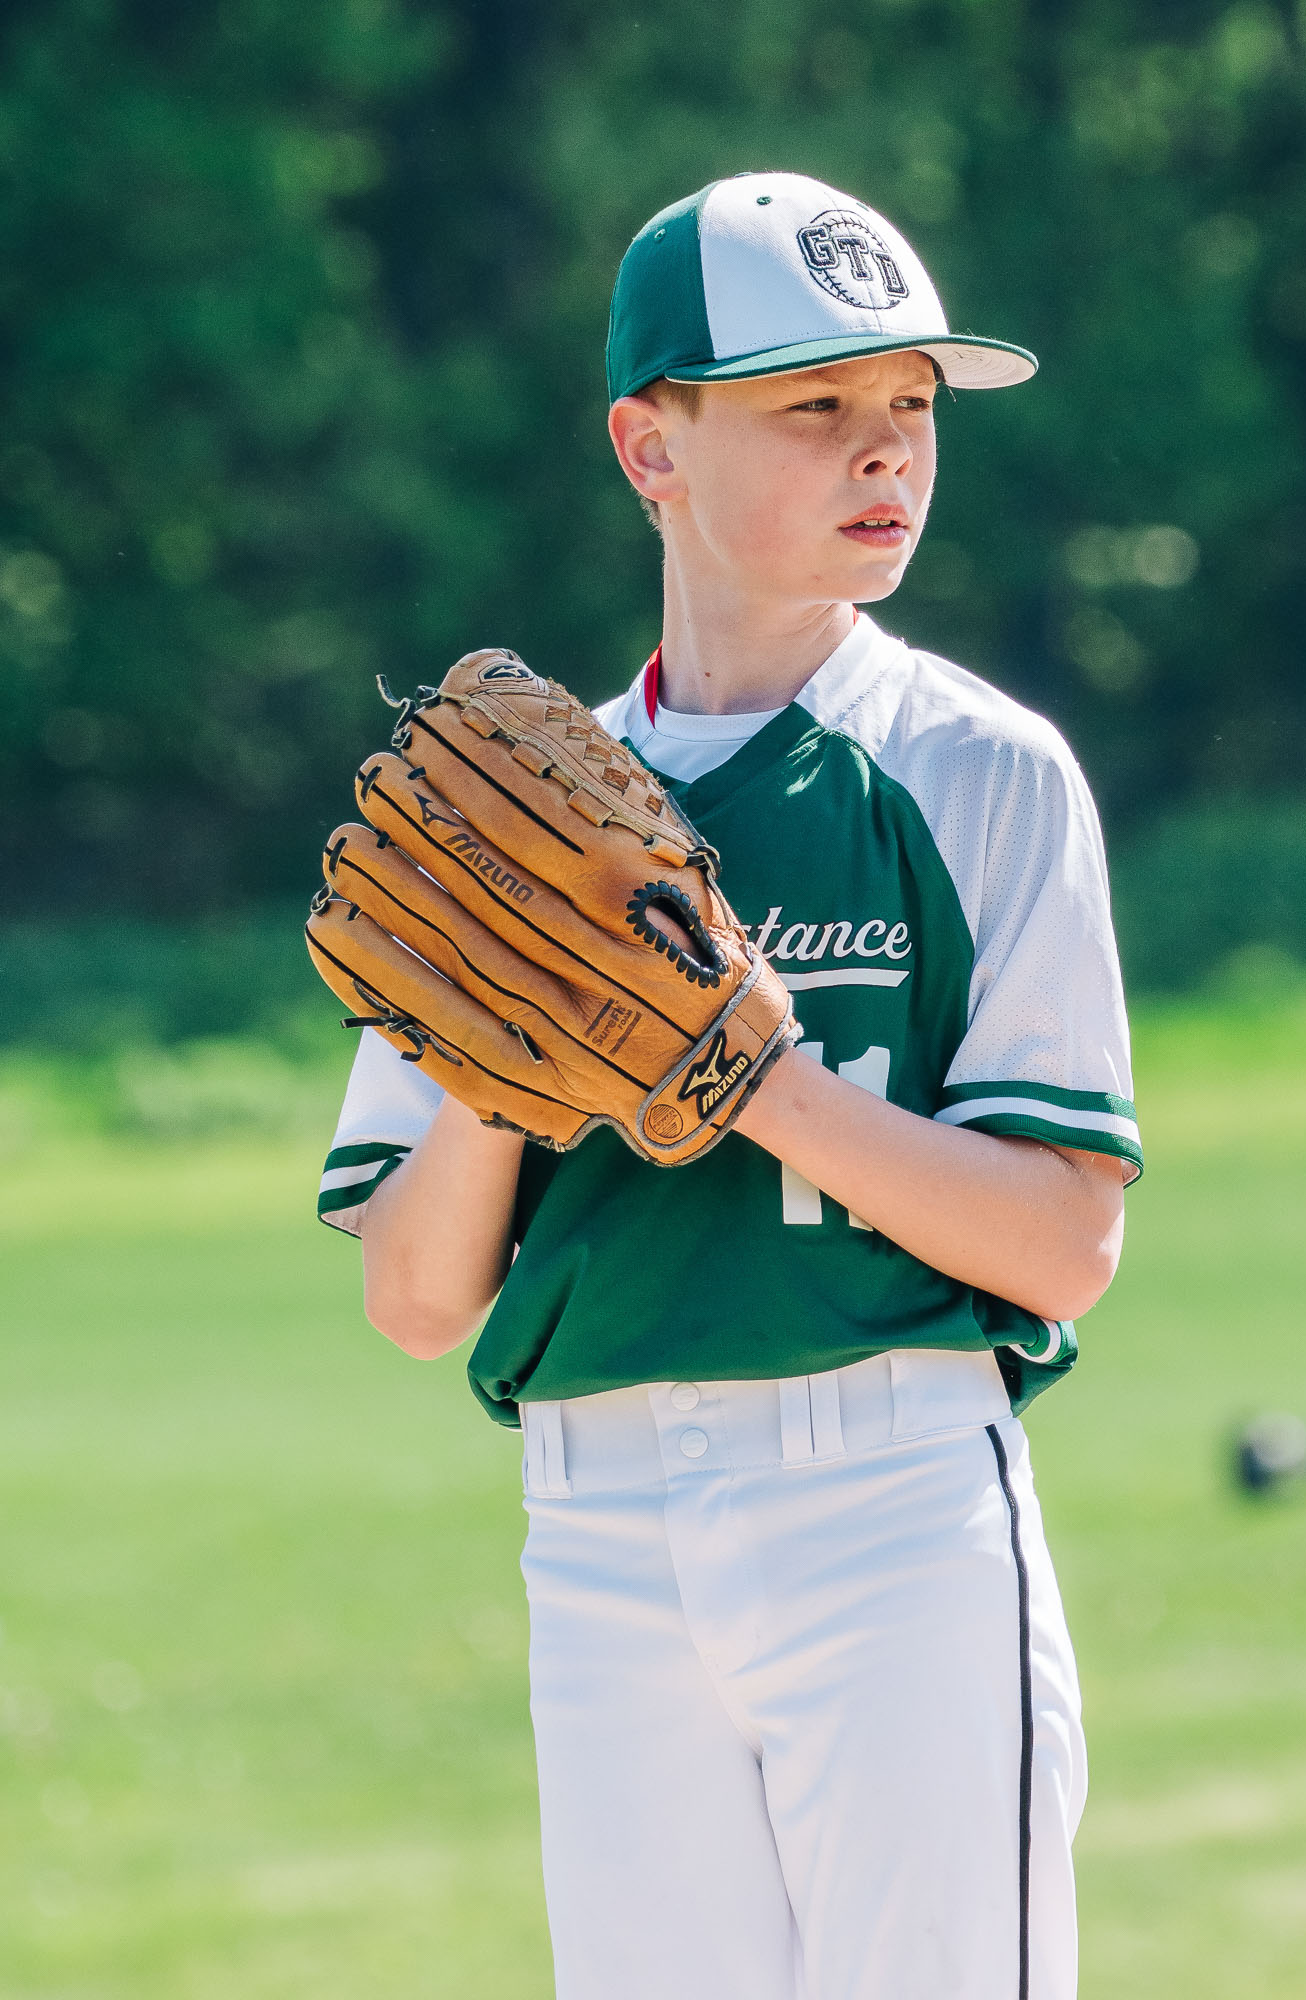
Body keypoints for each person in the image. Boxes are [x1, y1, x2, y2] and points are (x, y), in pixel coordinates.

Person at [317, 170, 1141, 2000]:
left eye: (912, 404)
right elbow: (417, 1295)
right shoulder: (512, 811)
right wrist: (518, 1049)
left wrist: (744, 1064)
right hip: (598, 1518)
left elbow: (1060, 1247)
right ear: (648, 445)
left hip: (893, 1501)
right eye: (813, 405)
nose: (886, 452)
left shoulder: (979, 772)